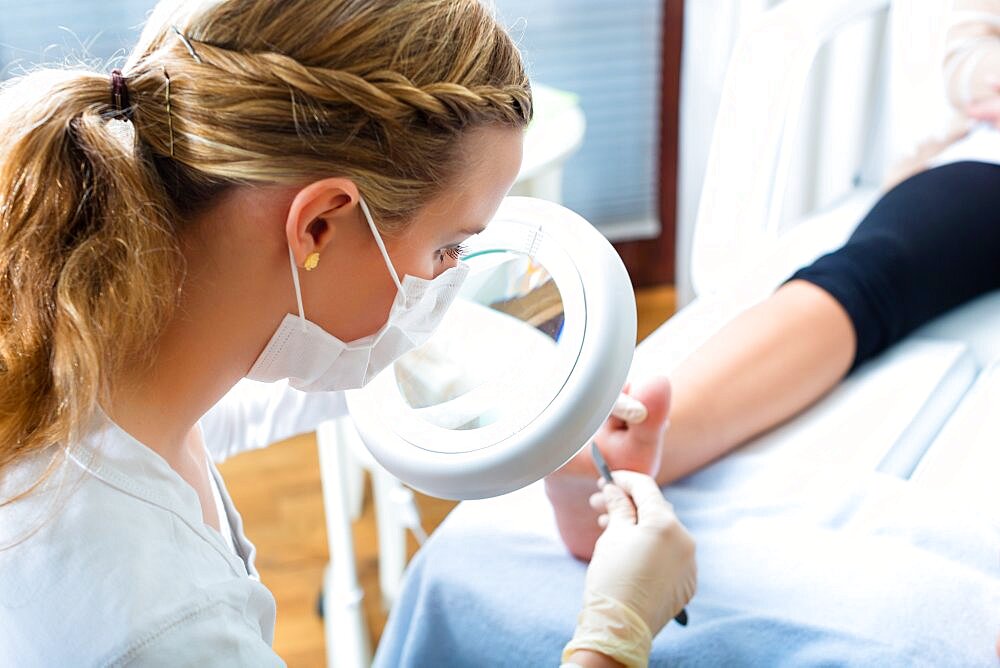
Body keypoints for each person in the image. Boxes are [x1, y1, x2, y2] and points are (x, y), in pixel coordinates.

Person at [0, 1, 695, 665]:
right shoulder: (153, 629)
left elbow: (267, 395)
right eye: (448, 249)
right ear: (319, 224)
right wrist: (616, 632)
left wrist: (532, 394)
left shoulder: (82, 346)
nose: (447, 286)